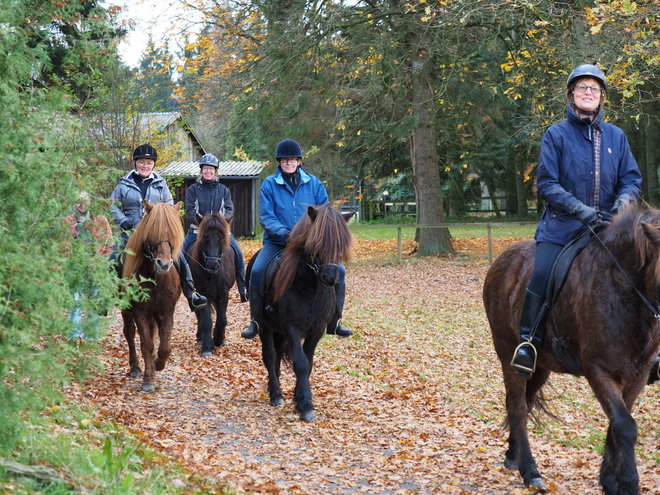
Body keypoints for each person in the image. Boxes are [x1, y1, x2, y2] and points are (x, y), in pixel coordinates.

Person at [511, 63, 643, 380]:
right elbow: (547, 184)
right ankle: (527, 343)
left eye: (594, 89)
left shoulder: (616, 136)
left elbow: (631, 180)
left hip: (610, 228)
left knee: (646, 272)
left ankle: (650, 353)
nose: (588, 93)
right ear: (572, 94)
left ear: (602, 97)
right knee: (540, 273)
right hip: (563, 227)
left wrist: (624, 203)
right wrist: (577, 208)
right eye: (582, 87)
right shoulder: (556, 135)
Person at [241, 138, 353, 339]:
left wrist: (312, 237)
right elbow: (267, 216)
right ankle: (256, 321)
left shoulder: (314, 183)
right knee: (257, 271)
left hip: (309, 245)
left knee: (340, 272)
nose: (289, 163)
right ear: (279, 162)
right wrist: (286, 234)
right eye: (285, 160)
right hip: (277, 242)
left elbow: (325, 214)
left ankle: (335, 320)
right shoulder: (269, 185)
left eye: (292, 159)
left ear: (299, 161)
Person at [110, 144, 207, 311]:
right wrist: (122, 220)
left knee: (179, 258)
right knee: (112, 258)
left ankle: (191, 293)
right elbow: (111, 205)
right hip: (129, 234)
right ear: (135, 163)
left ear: (153, 164)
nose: (145, 166)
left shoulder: (161, 184)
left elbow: (170, 208)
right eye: (141, 162)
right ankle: (106, 296)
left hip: (154, 236)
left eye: (148, 163)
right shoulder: (124, 183)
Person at [184, 153, 248, 302]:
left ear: (216, 171)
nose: (208, 171)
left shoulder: (223, 190)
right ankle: (186, 287)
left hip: (220, 231)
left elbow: (229, 210)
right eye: (205, 168)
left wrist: (220, 224)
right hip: (197, 230)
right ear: (201, 171)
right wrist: (203, 223)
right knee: (181, 252)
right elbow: (190, 210)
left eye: (211, 169)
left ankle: (243, 287)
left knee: (238, 253)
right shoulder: (193, 189)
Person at [65, 191, 113, 341]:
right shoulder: (68, 222)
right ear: (75, 203)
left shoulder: (101, 221)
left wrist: (100, 262)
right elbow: (63, 245)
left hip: (95, 268)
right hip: (76, 269)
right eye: (78, 201)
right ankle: (74, 336)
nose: (81, 204)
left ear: (90, 203)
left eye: (84, 201)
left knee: (94, 303)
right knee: (76, 302)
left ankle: (91, 338)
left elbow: (109, 244)